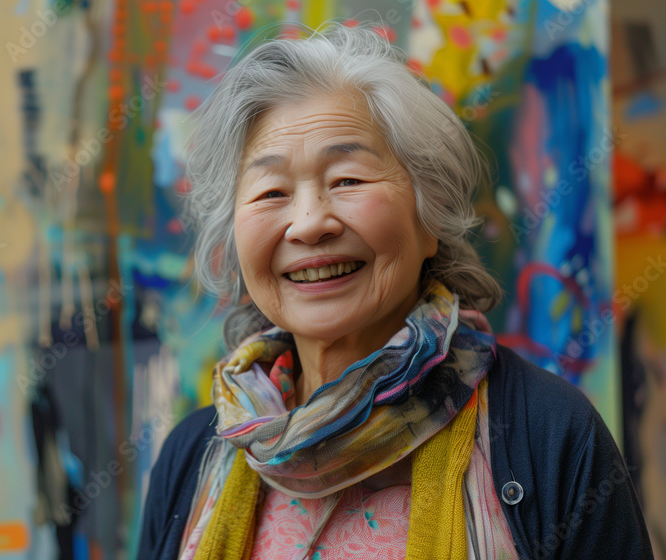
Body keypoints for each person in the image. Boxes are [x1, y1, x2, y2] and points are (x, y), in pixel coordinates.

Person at [138, 23, 654, 560]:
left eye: (348, 180)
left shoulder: (548, 436)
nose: (309, 223)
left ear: (428, 216)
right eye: (272, 191)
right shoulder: (194, 456)